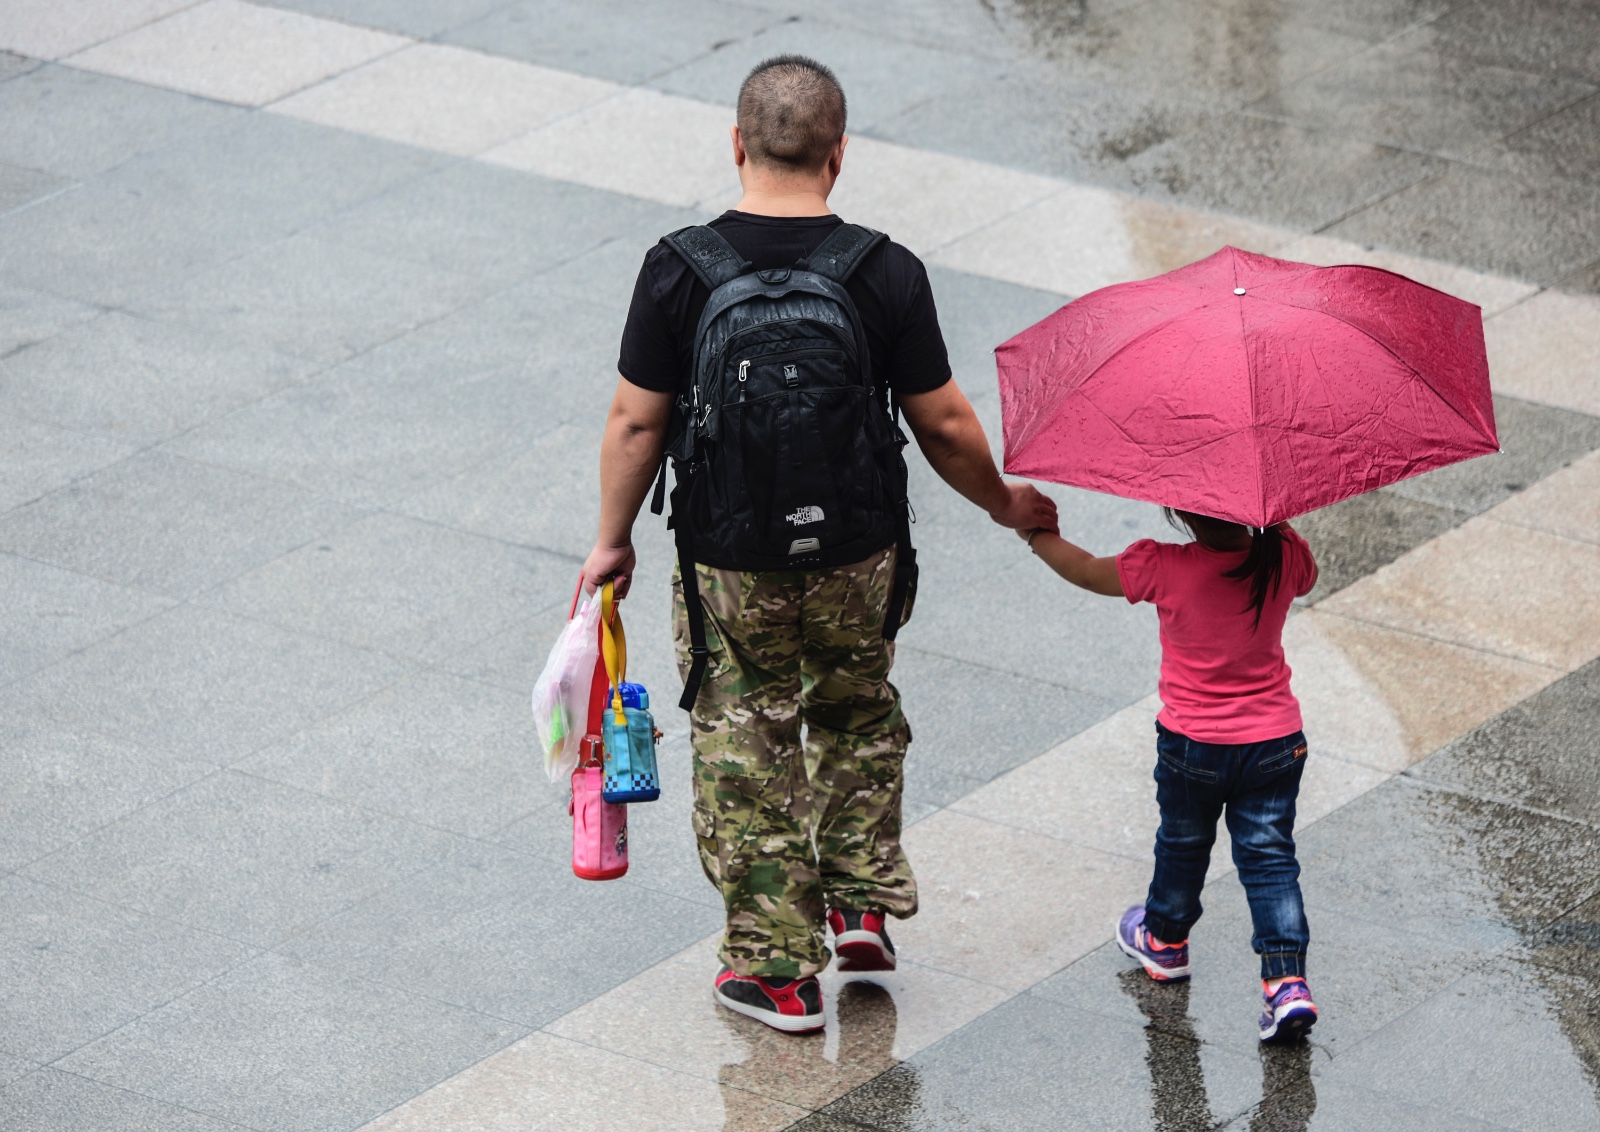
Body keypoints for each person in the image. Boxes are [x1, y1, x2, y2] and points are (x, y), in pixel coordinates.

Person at [582, 54, 1057, 1035]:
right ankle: (859, 902)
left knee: (743, 738)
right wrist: (1005, 503)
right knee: (853, 707)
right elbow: (946, 426)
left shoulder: (677, 267)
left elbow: (636, 423)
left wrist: (612, 541)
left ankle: (774, 970)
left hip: (729, 557)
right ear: (839, 155)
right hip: (857, 551)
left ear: (736, 143)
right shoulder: (883, 270)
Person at [1018, 509, 1321, 1043]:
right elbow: (1306, 571)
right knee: (1270, 857)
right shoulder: (1284, 556)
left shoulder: (1163, 564)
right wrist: (1278, 519)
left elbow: (1088, 570)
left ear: (1181, 510)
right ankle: (1286, 983)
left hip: (1194, 745)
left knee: (1183, 843)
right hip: (1275, 741)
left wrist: (1037, 535)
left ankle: (1163, 941)